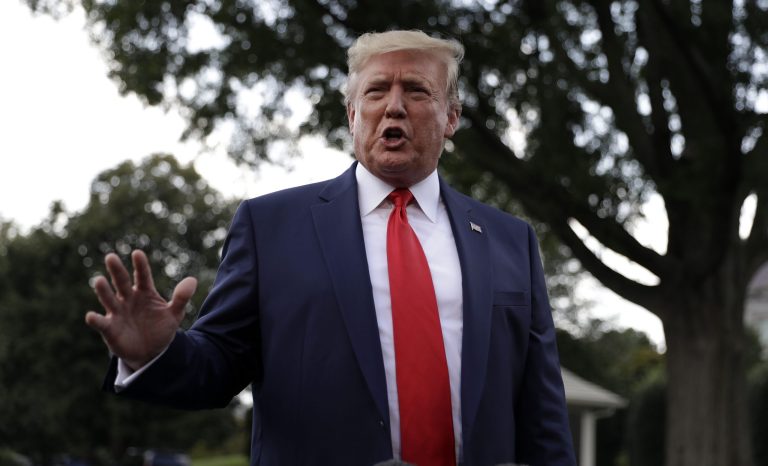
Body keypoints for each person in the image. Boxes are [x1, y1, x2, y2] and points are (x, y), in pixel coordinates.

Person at [86, 30, 575, 466]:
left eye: (416, 90)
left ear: (451, 117)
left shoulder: (511, 239)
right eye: (376, 91)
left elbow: (543, 412)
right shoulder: (270, 227)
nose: (394, 106)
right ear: (353, 114)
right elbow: (219, 364)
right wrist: (159, 353)